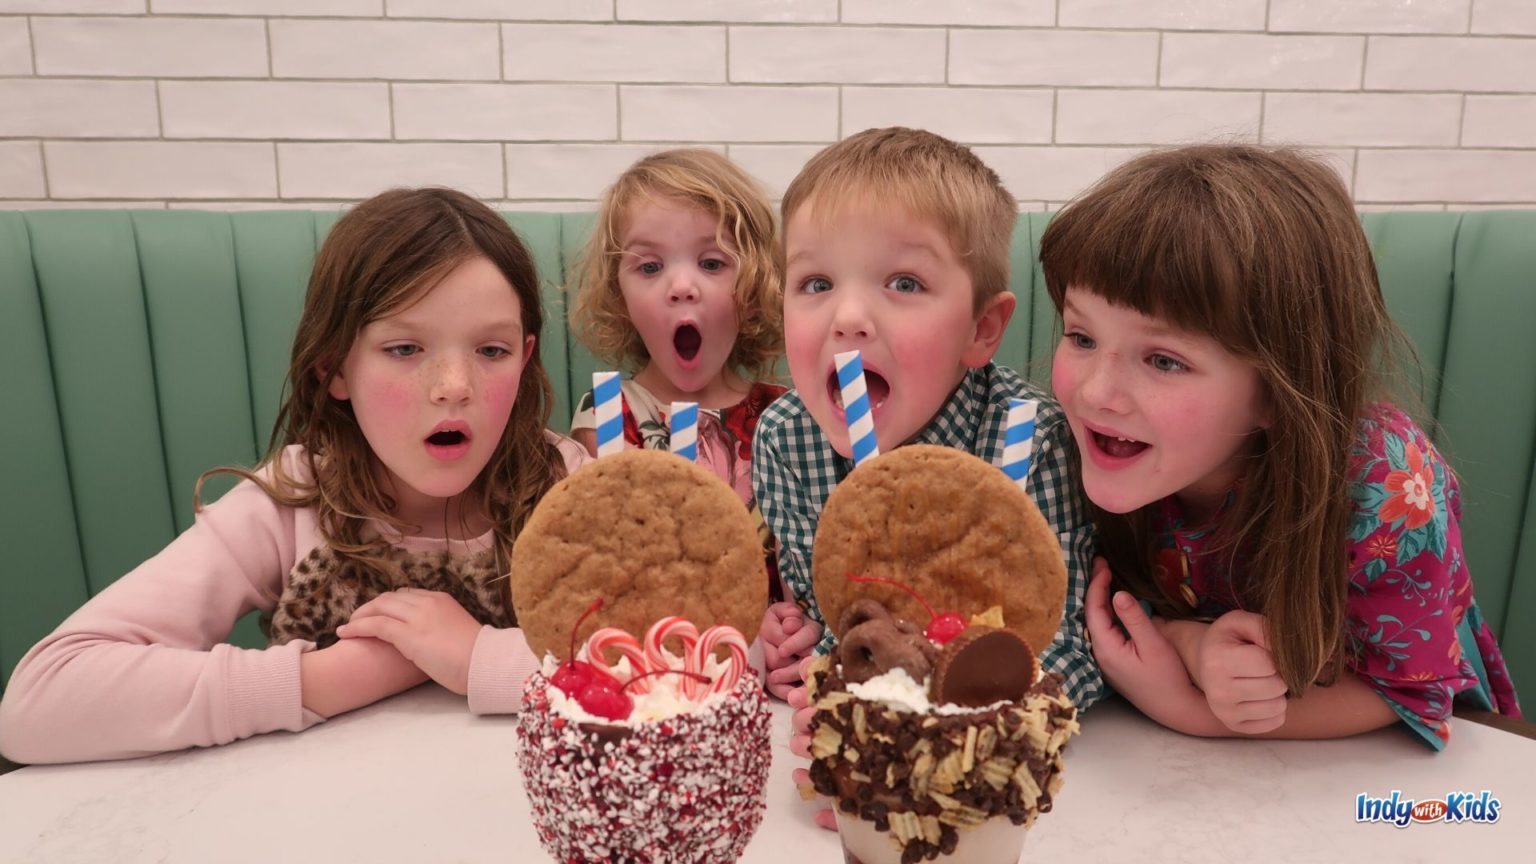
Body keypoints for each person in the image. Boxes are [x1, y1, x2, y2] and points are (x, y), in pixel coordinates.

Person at [0, 187, 589, 764]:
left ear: (527, 357)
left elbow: (666, 665)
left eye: (492, 351)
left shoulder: (569, 490)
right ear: (334, 369)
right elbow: (38, 702)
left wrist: (479, 660)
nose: (455, 385)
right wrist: (353, 671)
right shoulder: (295, 501)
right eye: (405, 348)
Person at [1042, 144, 1521, 748]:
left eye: (1163, 359)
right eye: (1081, 336)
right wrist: (1190, 644)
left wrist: (1191, 713)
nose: (1096, 392)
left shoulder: (1387, 487)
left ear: (1278, 390)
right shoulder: (1070, 451)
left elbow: (1411, 691)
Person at [753, 128, 1105, 824]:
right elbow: (835, 629)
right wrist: (832, 701)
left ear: (981, 328)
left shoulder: (1029, 439)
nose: (848, 318)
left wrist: (932, 754)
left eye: (904, 283)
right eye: (815, 283)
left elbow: (1064, 645)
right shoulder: (786, 439)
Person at [567, 148, 790, 603]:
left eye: (711, 263)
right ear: (619, 294)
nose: (682, 286)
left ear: (753, 288)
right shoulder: (610, 414)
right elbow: (610, 569)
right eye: (650, 266)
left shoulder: (784, 417)